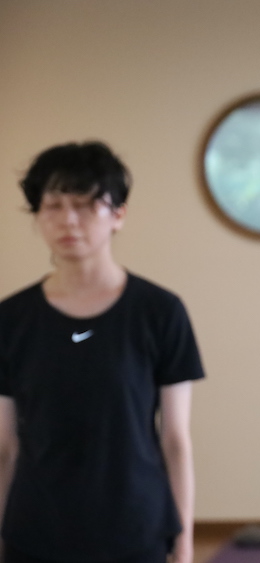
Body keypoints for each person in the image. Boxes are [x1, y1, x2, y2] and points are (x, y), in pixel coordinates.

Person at [0, 142, 205, 563]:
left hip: (135, 529)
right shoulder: (11, 318)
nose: (68, 220)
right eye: (53, 206)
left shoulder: (160, 312)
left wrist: (184, 547)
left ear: (118, 215)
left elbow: (175, 441)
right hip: (36, 531)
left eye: (85, 205)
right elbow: (5, 446)